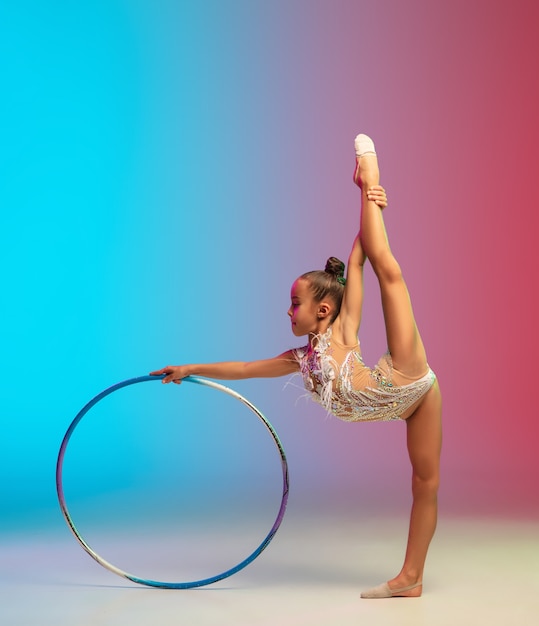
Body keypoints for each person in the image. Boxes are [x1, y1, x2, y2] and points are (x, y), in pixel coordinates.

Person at [150, 134, 442, 599]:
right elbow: (244, 368)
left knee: (391, 271)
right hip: (405, 406)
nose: (288, 312)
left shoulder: (343, 330)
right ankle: (412, 581)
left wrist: (371, 203)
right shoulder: (299, 360)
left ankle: (369, 175)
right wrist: (190, 367)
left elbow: (359, 258)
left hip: (406, 377)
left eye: (294, 304)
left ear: (322, 310)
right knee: (423, 481)